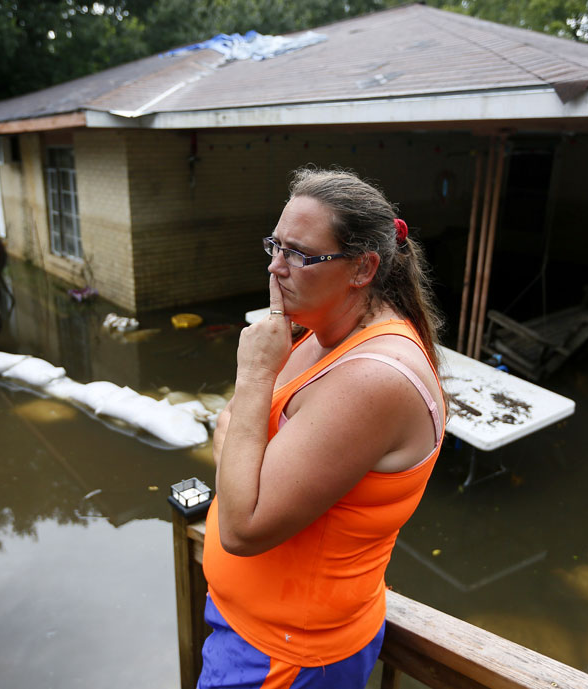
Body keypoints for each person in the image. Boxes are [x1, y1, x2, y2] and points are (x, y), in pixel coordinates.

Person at [199, 167, 448, 689]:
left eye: (299, 254)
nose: (275, 267)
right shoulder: (320, 333)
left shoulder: (372, 378)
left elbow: (243, 526)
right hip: (252, 631)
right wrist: (245, 456)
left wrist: (254, 376)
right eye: (275, 245)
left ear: (362, 269)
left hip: (290, 656)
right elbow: (228, 430)